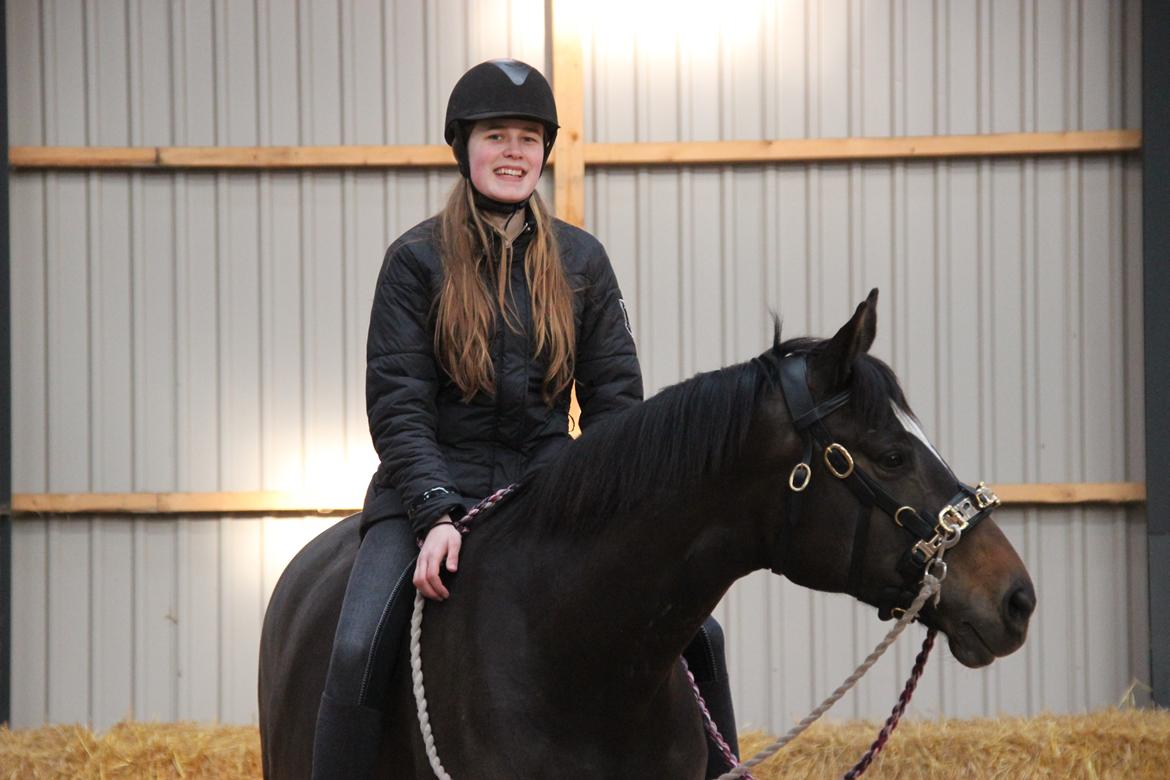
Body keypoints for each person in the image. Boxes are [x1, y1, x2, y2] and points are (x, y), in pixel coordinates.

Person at [311, 58, 739, 779]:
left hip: (548, 488)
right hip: (426, 492)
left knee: (702, 636)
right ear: (463, 148)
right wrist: (435, 512)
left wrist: (615, 513)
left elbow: (615, 408)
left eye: (528, 138)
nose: (513, 151)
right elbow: (399, 403)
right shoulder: (415, 262)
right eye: (495, 135)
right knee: (356, 646)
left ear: (544, 151)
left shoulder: (583, 262)